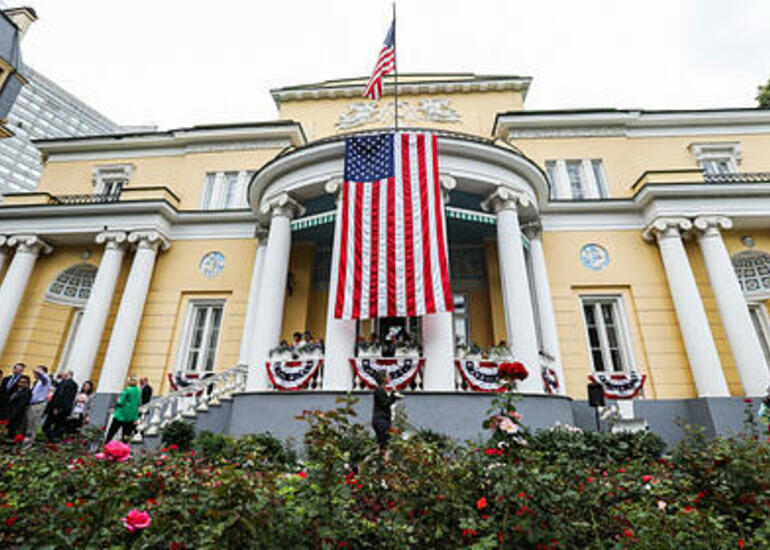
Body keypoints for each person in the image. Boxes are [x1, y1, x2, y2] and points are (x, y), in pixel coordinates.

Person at [371, 370, 402, 462]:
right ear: (383, 378)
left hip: (380, 421)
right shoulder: (379, 390)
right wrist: (394, 396)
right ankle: (386, 468)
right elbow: (385, 403)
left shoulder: (381, 390)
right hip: (381, 421)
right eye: (388, 375)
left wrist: (393, 396)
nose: (389, 377)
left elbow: (386, 402)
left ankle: (363, 465)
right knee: (389, 444)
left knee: (382, 448)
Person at [42, 370, 78, 442]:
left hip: (59, 409)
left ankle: (52, 441)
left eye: (63, 374)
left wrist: (58, 408)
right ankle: (51, 440)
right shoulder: (66, 383)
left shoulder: (69, 383)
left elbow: (63, 396)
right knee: (51, 426)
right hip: (58, 408)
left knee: (53, 426)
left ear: (68, 375)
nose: (61, 375)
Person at [105, 377, 141, 442]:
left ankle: (106, 444)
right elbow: (137, 404)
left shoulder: (127, 390)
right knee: (126, 435)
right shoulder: (139, 391)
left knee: (112, 432)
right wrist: (136, 418)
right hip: (131, 416)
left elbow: (121, 402)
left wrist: (117, 402)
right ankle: (124, 448)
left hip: (121, 414)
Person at [25, 365, 51, 443]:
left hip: (38, 405)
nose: (34, 374)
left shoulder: (46, 379)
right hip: (32, 404)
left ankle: (29, 443)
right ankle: (26, 442)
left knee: (33, 424)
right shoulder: (38, 382)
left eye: (37, 371)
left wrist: (39, 372)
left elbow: (43, 377)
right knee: (28, 424)